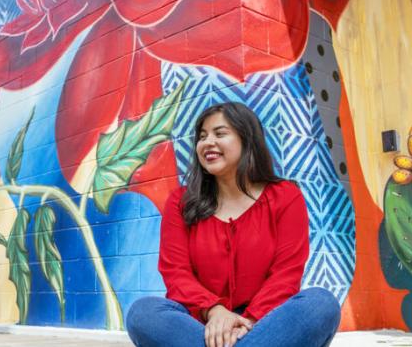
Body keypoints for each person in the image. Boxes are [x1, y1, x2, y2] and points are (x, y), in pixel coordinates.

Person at [126, 102, 341, 347]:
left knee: (321, 304)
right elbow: (176, 273)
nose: (208, 142)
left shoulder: (285, 196)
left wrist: (247, 321)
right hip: (201, 321)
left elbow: (286, 274)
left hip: (264, 321)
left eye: (220, 133)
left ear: (247, 139)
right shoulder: (181, 202)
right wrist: (215, 311)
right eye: (202, 136)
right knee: (143, 313)